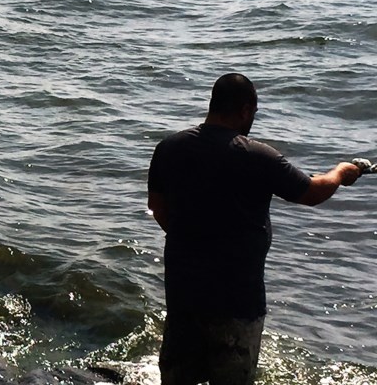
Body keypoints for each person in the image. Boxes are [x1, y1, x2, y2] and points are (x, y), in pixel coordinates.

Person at [147, 73, 361, 385]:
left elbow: (156, 206)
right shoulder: (258, 155)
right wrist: (342, 172)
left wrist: (190, 237)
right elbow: (313, 192)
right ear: (246, 110)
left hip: (184, 294)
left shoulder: (169, 148)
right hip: (237, 300)